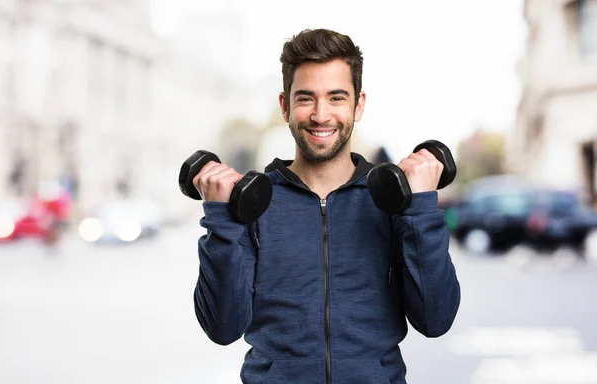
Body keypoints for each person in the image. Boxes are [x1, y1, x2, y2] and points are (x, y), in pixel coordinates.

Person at [192, 28, 461, 384]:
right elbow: (222, 327)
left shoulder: (392, 202)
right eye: (306, 98)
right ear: (285, 106)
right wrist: (222, 219)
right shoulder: (253, 204)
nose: (321, 115)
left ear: (358, 105)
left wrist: (422, 208)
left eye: (336, 98)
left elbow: (435, 319)